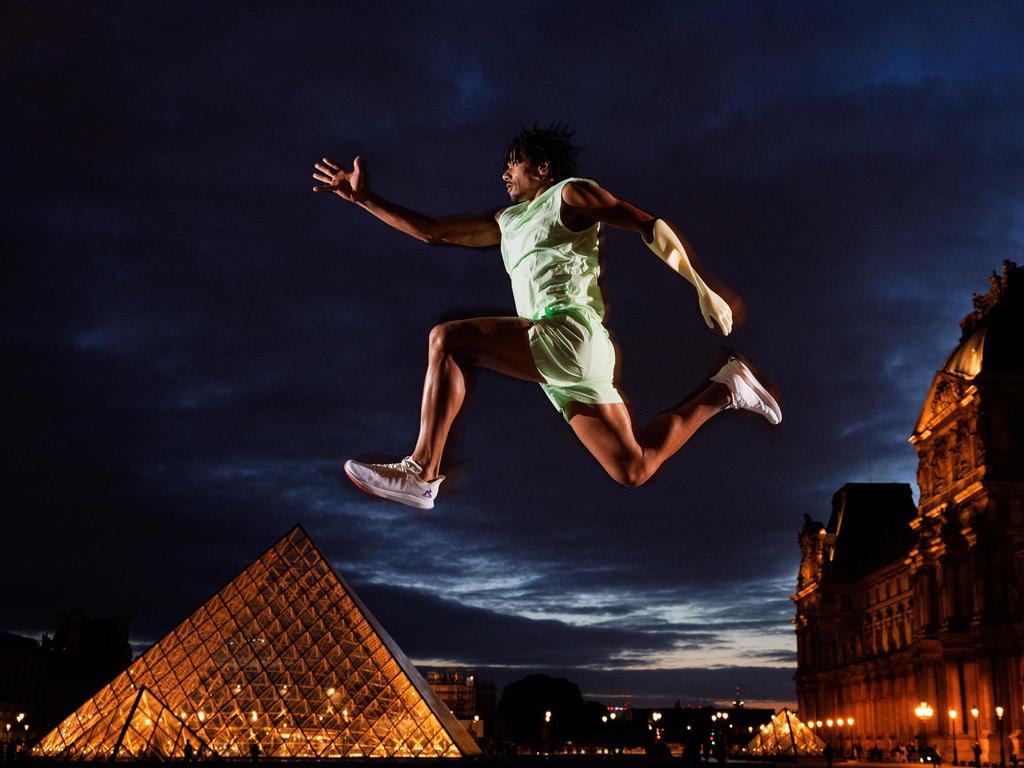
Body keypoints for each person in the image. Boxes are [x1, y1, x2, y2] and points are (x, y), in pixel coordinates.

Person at [312, 126, 781, 509]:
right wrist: (365, 200)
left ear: (542, 168)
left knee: (448, 340)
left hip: (568, 332)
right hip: (567, 367)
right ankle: (727, 389)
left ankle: (422, 470)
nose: (504, 175)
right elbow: (434, 233)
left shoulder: (569, 194)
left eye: (512, 164)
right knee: (633, 468)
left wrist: (702, 287)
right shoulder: (508, 221)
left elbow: (646, 225)